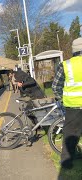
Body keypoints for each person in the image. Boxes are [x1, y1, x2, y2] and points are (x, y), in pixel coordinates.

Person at [52, 37, 82, 169]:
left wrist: (63, 99)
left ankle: (66, 163)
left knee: (70, 134)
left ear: (74, 50)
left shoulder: (65, 65)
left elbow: (55, 87)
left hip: (72, 107)